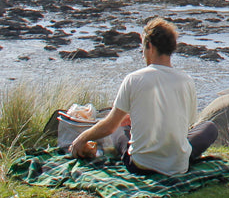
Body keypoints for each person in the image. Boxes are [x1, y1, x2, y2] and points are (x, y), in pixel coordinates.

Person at [69, 17, 217, 176]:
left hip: (141, 165)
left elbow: (110, 125)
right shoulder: (187, 81)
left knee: (119, 128)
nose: (143, 55)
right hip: (178, 166)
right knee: (210, 128)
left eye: (143, 50)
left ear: (151, 47)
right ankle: (172, 155)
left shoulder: (134, 79)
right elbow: (187, 124)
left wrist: (81, 138)